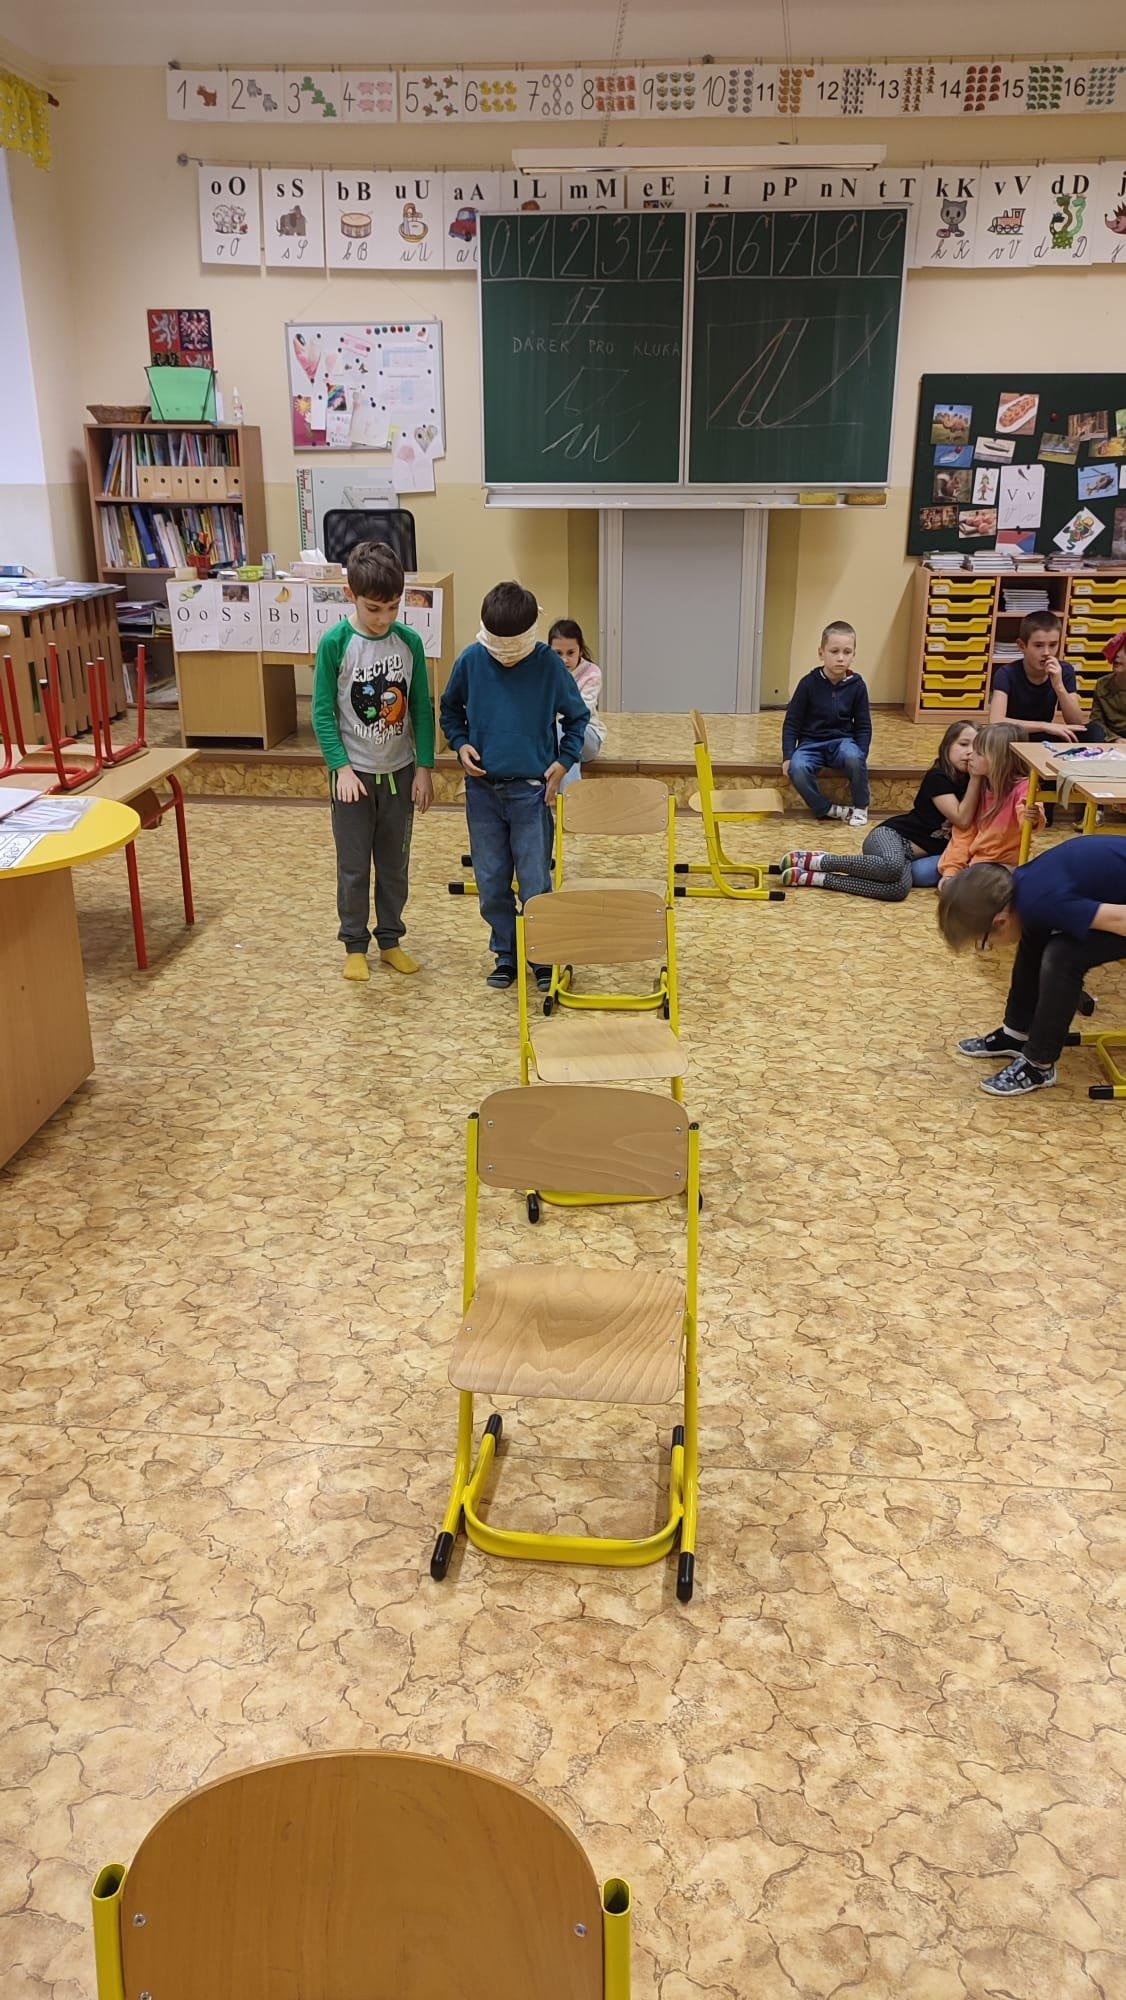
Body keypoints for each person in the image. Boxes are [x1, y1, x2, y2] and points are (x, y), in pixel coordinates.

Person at [440, 581, 590, 989]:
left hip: (531, 792)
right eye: (498, 645)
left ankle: (541, 955)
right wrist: (461, 744)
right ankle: (506, 953)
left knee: (535, 881)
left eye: (513, 646)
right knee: (490, 880)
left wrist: (563, 761)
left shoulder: (548, 666)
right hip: (483, 792)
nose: (505, 655)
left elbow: (577, 717)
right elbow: (449, 710)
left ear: (530, 632)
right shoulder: (472, 660)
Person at [311, 539, 434, 982]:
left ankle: (390, 940)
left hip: (399, 775)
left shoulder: (409, 643)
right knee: (354, 866)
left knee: (394, 866)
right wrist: (340, 768)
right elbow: (322, 712)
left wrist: (424, 768)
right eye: (373, 609)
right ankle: (354, 944)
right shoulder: (336, 643)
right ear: (351, 596)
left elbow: (420, 708)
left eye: (393, 608)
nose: (383, 619)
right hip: (354, 780)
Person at [936, 836, 1126, 1097]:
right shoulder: (1024, 889)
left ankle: (1039, 1064)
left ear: (1000, 921)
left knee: (1063, 957)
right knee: (1035, 930)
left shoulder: (1046, 901)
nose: (989, 947)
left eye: (984, 941)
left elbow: (1120, 919)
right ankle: (1017, 1032)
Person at [778, 720, 978, 897]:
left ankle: (816, 878)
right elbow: (961, 818)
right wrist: (976, 778)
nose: (970, 752)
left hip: (907, 856)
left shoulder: (973, 784)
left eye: (976, 748)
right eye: (963, 744)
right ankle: (820, 861)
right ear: (947, 746)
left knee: (898, 890)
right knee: (891, 866)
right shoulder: (939, 777)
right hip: (891, 836)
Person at [782, 621, 872, 827]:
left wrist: (861, 755)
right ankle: (826, 809)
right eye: (834, 651)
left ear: (854, 654)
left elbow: (863, 725)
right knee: (797, 767)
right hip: (810, 744)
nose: (841, 658)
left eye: (847, 652)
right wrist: (788, 755)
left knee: (854, 756)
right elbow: (792, 723)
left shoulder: (857, 685)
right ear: (821, 653)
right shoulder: (808, 683)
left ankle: (861, 806)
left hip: (842, 742)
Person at [938, 723, 1042, 882]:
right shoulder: (980, 788)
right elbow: (963, 835)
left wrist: (1033, 817)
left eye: (979, 753)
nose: (970, 756)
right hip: (978, 864)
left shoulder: (1024, 787)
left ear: (1000, 760)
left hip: (1007, 867)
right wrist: (951, 870)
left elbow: (1029, 815)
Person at [988, 610, 1087, 741]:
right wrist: (1044, 726)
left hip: (1044, 737)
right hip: (1013, 736)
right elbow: (995, 721)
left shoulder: (1064, 670)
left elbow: (1077, 722)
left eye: (1053, 645)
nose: (1046, 652)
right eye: (1038, 645)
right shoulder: (1006, 673)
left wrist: (1059, 686)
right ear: (1022, 646)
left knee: (1092, 731)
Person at [548, 618, 606, 766]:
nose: (564, 660)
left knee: (565, 730)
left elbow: (580, 713)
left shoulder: (592, 673)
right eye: (558, 653)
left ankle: (568, 782)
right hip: (552, 737)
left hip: (587, 736)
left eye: (570, 653)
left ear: (580, 650)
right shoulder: (545, 672)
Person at [1088, 630, 1126, 742]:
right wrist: (1114, 739)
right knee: (1092, 730)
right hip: (1110, 741)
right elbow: (1096, 721)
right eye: (1116, 649)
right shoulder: (1102, 684)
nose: (1118, 655)